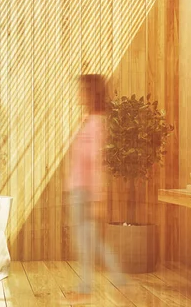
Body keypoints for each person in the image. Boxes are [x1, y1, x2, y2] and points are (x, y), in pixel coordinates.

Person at [64, 74, 126, 304]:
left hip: (84, 193)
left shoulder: (96, 123)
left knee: (86, 243)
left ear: (92, 93)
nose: (79, 95)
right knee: (92, 242)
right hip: (79, 190)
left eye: (82, 90)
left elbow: (96, 162)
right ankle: (119, 282)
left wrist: (98, 199)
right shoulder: (90, 120)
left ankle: (86, 289)